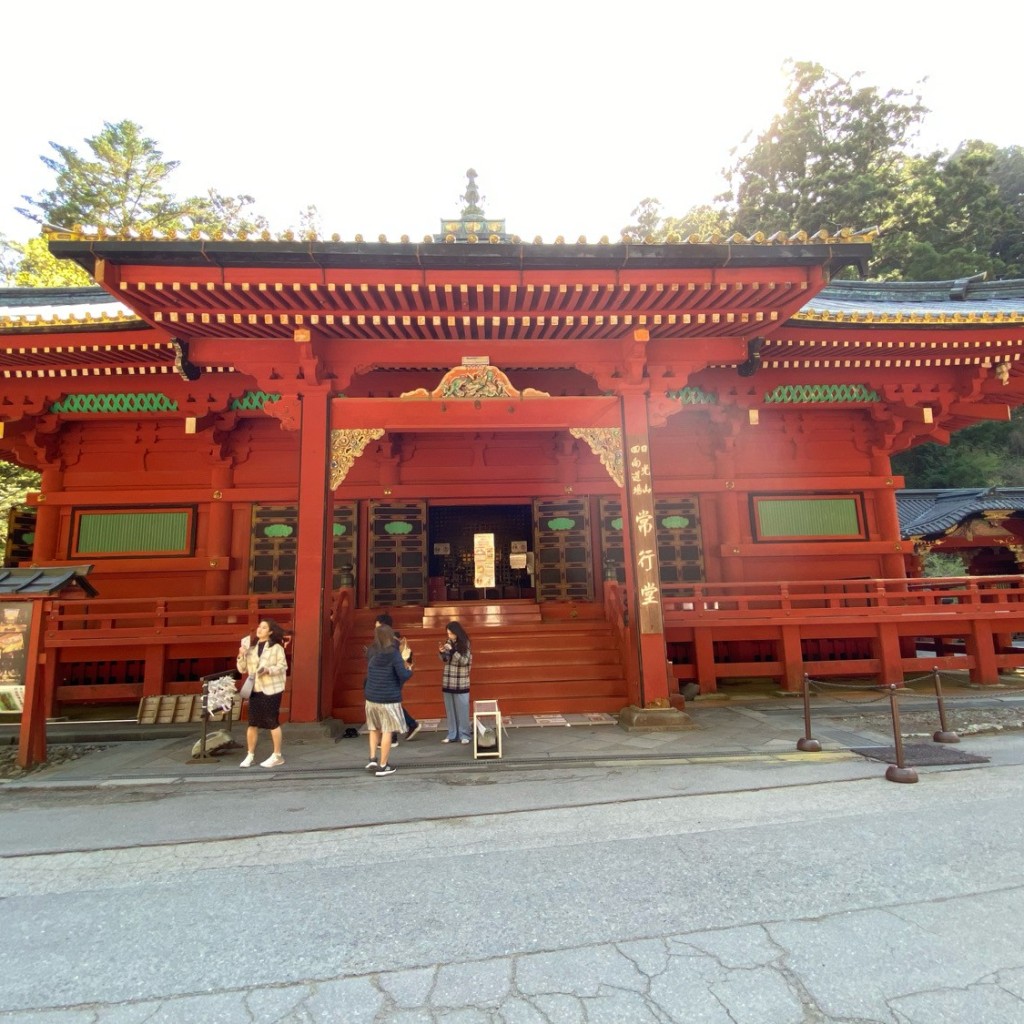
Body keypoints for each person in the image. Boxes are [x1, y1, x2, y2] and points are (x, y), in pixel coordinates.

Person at [236, 619, 288, 768]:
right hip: (255, 688)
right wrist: (241, 655)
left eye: (264, 628)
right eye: (259, 626)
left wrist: (268, 670)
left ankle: (277, 755)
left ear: (270, 632)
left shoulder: (276, 648)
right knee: (252, 723)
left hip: (271, 688)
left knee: (272, 721)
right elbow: (242, 669)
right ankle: (250, 754)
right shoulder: (251, 649)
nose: (260, 629)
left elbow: (282, 666)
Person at [364, 623, 412, 776]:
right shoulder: (393, 653)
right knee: (387, 731)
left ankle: (372, 759)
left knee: (373, 728)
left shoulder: (372, 651)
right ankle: (383, 766)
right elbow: (402, 675)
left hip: (371, 696)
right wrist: (409, 669)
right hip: (388, 698)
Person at [375, 613, 421, 741]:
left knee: (390, 705)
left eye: (377, 624)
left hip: (392, 676)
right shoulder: (392, 639)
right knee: (392, 705)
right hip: (393, 675)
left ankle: (393, 736)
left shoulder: (390, 641)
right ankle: (411, 724)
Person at [438, 620, 472, 744]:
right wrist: (442, 652)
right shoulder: (448, 642)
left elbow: (464, 661)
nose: (449, 636)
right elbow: (445, 659)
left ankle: (464, 734)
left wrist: (453, 651)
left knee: (463, 708)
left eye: (451, 634)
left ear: (457, 633)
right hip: (448, 679)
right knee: (450, 710)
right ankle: (452, 734)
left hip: (461, 680)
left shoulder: (466, 644)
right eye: (448, 633)